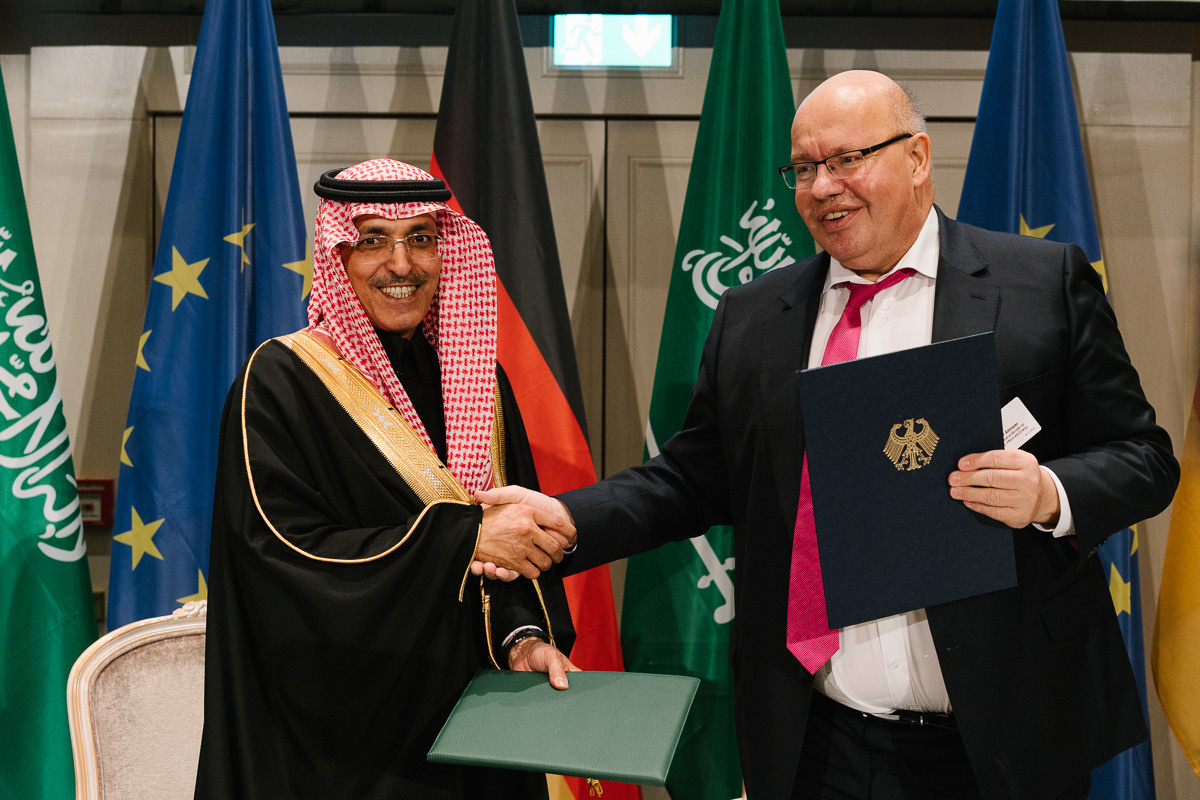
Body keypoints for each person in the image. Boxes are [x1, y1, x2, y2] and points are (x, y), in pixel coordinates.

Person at [478, 71, 1179, 799]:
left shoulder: (1040, 283)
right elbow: (691, 478)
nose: (822, 187)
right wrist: (565, 518)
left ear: (917, 158)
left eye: (848, 159)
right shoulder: (753, 315)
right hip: (820, 739)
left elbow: (1144, 458)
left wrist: (1048, 492)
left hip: (1005, 735)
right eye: (805, 168)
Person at [194, 158, 578, 800]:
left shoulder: (479, 384)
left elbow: (511, 550)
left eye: (422, 239)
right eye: (373, 240)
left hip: (481, 729)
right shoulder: (280, 382)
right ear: (338, 256)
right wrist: (462, 540)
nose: (402, 265)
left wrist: (522, 638)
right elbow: (281, 559)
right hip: (342, 747)